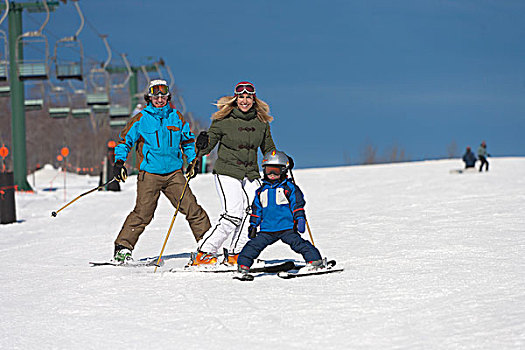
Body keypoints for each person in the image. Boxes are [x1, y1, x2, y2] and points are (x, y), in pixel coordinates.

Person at [111, 79, 211, 263]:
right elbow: (125, 141)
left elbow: (188, 142)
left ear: (168, 97)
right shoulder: (141, 119)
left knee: (192, 208)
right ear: (149, 98)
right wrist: (119, 162)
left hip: (174, 173)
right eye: (154, 96)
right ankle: (123, 248)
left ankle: (208, 246)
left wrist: (192, 161)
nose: (159, 99)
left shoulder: (176, 117)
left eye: (162, 95)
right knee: (143, 213)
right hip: (149, 173)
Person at [191, 81, 284, 266]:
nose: (245, 100)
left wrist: (280, 161)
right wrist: (201, 144)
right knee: (233, 214)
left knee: (258, 211)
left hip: (250, 173)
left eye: (248, 97)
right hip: (227, 171)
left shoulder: (261, 123)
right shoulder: (222, 121)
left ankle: (236, 253)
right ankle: (204, 253)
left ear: (253, 99)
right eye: (241, 97)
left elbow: (268, 148)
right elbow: (207, 147)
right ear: (236, 99)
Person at [236, 150, 324, 275]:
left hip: (286, 227)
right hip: (267, 229)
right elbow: (256, 210)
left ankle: (315, 261)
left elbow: (297, 204)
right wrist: (253, 225)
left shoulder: (289, 188)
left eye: (275, 171)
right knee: (253, 246)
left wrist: (300, 218)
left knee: (299, 244)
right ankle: (243, 265)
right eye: (268, 170)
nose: (271, 174)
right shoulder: (261, 191)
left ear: (283, 171)